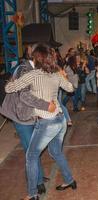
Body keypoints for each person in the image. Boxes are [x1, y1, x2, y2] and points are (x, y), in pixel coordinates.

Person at [5, 45, 77, 200]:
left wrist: (11, 81)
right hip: (60, 120)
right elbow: (71, 88)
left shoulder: (33, 75)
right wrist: (63, 76)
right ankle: (70, 180)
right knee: (56, 152)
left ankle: (32, 194)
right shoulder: (56, 74)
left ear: (37, 58)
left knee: (31, 156)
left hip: (47, 122)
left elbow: (9, 89)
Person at [0, 44, 54, 196]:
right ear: (37, 57)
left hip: (30, 114)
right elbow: (24, 95)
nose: (47, 62)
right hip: (21, 116)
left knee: (33, 149)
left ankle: (38, 176)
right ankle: (37, 182)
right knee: (31, 150)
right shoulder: (24, 70)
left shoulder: (34, 69)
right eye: (45, 59)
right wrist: (45, 105)